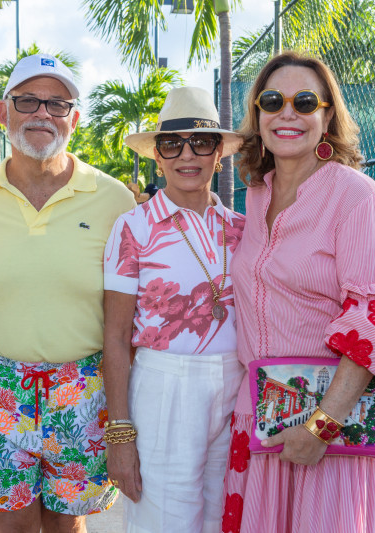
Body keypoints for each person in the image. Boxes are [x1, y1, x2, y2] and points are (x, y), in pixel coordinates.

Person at [221, 51, 375, 533]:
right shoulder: (256, 194)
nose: (287, 113)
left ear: (327, 115)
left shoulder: (356, 197)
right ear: (257, 114)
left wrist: (320, 428)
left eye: (305, 101)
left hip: (332, 435)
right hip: (264, 422)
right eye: (272, 100)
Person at [0, 54, 136, 533]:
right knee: (7, 525)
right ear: (2, 111)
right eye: (28, 99)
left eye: (58, 104)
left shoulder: (115, 199)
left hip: (83, 385)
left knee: (65, 526)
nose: (42, 113)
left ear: (74, 118)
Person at [102, 87, 247, 533]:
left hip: (235, 386)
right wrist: (120, 434)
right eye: (172, 144)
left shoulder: (242, 228)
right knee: (162, 522)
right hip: (165, 386)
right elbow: (114, 336)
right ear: (158, 157)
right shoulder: (134, 227)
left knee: (223, 517)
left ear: (218, 152)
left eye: (201, 143)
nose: (188, 155)